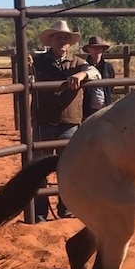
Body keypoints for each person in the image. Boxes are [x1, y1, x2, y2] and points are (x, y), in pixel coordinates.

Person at [30, 20, 101, 222]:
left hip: (68, 123)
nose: (62, 40)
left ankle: (66, 208)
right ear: (51, 40)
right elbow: (24, 75)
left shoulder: (79, 63)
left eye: (65, 38)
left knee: (68, 169)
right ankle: (40, 213)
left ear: (70, 42)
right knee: (40, 169)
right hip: (43, 122)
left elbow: (96, 73)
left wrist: (82, 74)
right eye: (58, 37)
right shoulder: (37, 62)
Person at [81, 36, 115, 120]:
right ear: (89, 49)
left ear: (102, 50)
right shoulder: (83, 67)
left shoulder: (108, 67)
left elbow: (111, 87)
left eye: (100, 48)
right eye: (94, 48)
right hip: (89, 108)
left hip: (105, 107)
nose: (97, 51)